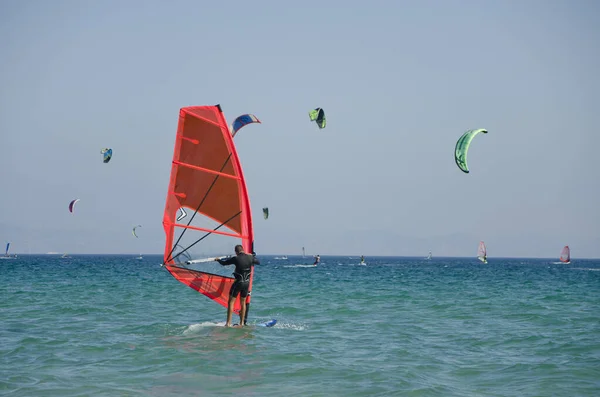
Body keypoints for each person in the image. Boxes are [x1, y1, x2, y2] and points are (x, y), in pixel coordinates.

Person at [215, 245, 259, 327]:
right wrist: (252, 255)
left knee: (231, 302)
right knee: (243, 302)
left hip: (238, 283)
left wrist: (218, 260)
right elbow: (258, 262)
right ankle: (241, 323)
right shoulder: (250, 258)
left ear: (236, 252)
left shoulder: (236, 258)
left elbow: (224, 263)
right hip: (246, 284)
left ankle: (228, 323)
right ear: (243, 250)